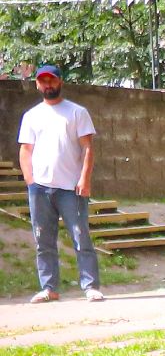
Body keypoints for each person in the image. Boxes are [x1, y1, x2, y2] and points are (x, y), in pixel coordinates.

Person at [17, 64, 102, 303]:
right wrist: (30, 181)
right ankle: (49, 288)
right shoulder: (32, 116)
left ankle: (90, 286)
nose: (48, 85)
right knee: (43, 240)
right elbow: (25, 150)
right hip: (40, 189)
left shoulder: (77, 112)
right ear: (37, 84)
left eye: (52, 81)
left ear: (60, 82)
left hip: (71, 188)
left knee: (80, 236)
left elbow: (87, 148)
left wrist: (84, 179)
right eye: (43, 81)